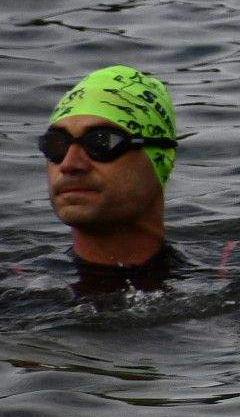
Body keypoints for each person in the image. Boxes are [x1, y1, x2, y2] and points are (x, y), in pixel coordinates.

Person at [42, 65, 184, 293]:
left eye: (102, 142)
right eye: (56, 144)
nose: (69, 164)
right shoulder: (16, 282)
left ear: (161, 158)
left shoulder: (226, 276)